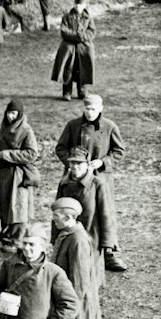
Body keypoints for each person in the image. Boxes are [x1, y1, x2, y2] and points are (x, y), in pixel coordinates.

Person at [54, 93, 128, 272]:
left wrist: (102, 162)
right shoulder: (73, 126)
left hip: (100, 178)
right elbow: (61, 148)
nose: (89, 112)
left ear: (101, 109)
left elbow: (119, 151)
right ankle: (70, 249)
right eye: (87, 108)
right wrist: (74, 163)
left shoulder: (109, 127)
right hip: (76, 177)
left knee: (103, 213)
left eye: (93, 109)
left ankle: (109, 252)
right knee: (73, 210)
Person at [47, 198, 103, 319]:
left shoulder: (77, 239)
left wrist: (70, 304)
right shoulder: (69, 233)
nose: (53, 220)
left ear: (69, 217)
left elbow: (79, 278)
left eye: (56, 216)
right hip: (68, 298)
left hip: (75, 300)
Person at [0, 102, 39, 253]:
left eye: (14, 114)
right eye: (9, 113)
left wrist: (8, 155)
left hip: (18, 176)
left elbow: (32, 153)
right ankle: (5, 238)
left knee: (18, 209)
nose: (10, 116)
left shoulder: (26, 130)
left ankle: (16, 241)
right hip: (2, 175)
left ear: (20, 115)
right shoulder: (5, 127)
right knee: (4, 207)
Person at [49, 0, 94, 101]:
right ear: (73, 4)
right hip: (69, 47)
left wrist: (83, 37)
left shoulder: (88, 18)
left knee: (83, 68)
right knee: (68, 68)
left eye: (81, 4)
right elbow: (64, 31)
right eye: (77, 4)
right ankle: (67, 92)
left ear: (85, 6)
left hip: (83, 48)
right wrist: (75, 36)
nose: (78, 6)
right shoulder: (67, 17)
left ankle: (82, 91)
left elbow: (92, 31)